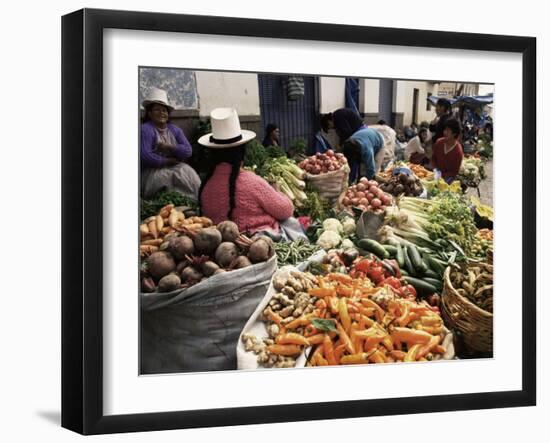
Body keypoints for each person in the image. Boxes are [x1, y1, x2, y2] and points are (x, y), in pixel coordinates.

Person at [199, 108, 300, 239]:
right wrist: (277, 190)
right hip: (259, 243)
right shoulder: (251, 182)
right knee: (291, 222)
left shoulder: (206, 185)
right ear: (242, 152)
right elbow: (285, 210)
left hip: (221, 246)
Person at [140, 87, 201, 199]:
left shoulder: (174, 130)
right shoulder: (145, 129)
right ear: (149, 113)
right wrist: (166, 161)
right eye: (157, 110)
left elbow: (188, 151)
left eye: (164, 110)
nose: (161, 113)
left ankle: (196, 201)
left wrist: (169, 147)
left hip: (175, 165)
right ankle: (170, 206)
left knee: (190, 175)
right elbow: (145, 156)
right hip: (153, 170)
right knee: (166, 179)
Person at [333, 108, 384, 182]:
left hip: (379, 142)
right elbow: (351, 163)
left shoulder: (366, 150)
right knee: (362, 171)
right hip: (366, 137)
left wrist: (366, 184)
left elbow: (371, 169)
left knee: (373, 172)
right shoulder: (349, 143)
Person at [431, 118, 464, 183]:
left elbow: (453, 172)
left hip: (447, 179)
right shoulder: (439, 142)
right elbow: (433, 159)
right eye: (445, 129)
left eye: (448, 130)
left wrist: (441, 176)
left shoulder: (458, 152)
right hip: (434, 174)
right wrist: (435, 169)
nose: (444, 132)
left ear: (454, 133)